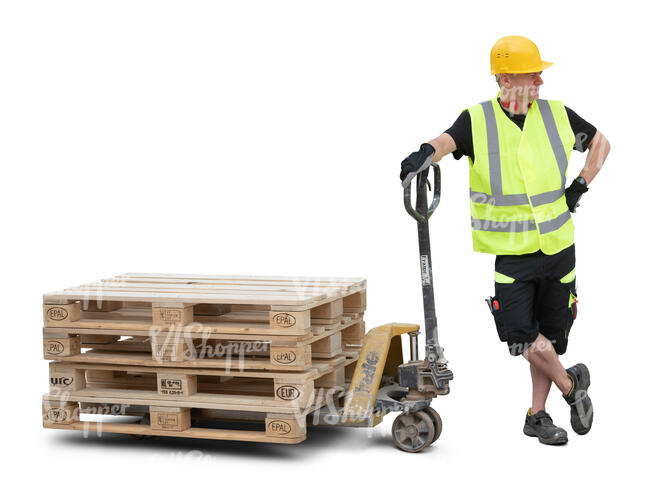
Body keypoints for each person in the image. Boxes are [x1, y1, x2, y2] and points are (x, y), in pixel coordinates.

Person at [400, 35, 610, 445]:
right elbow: (447, 142)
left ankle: (537, 415)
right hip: (514, 255)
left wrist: (579, 187)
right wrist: (425, 151)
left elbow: (601, 143)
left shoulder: (556, 115)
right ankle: (571, 386)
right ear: (503, 78)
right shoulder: (477, 120)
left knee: (547, 335)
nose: (539, 82)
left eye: (539, 75)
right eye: (531, 75)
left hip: (559, 247)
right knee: (522, 337)